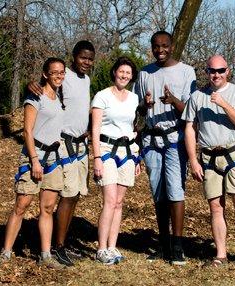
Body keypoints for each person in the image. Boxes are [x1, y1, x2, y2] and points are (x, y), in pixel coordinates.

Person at [27, 41, 95, 266]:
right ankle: (56, 247)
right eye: (82, 57)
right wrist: (31, 85)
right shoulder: (65, 78)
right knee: (65, 196)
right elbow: (47, 87)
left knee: (74, 195)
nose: (86, 62)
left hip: (81, 144)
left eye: (90, 59)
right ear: (74, 57)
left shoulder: (87, 80)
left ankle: (62, 243)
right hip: (63, 144)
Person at [183, 55, 235, 271]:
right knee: (215, 207)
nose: (217, 75)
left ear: (228, 71)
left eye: (221, 70)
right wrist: (193, 160)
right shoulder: (196, 97)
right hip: (209, 157)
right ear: (206, 72)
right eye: (212, 71)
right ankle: (220, 254)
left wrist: (223, 104)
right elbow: (189, 128)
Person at [0, 58, 67, 269]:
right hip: (33, 157)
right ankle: (6, 251)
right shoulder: (35, 97)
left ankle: (45, 255)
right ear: (45, 74)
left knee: (47, 208)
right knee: (22, 205)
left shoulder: (59, 97)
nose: (59, 76)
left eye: (62, 72)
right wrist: (35, 161)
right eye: (54, 72)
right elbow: (27, 131)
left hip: (54, 159)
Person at [133, 30, 196, 265]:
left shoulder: (186, 72)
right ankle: (164, 244)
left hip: (174, 139)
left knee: (175, 190)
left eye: (164, 45)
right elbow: (136, 108)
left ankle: (178, 246)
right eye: (156, 46)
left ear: (172, 46)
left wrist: (174, 101)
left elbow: (192, 110)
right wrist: (144, 104)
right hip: (151, 139)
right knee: (158, 191)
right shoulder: (144, 73)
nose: (160, 50)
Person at [91, 57, 141, 265]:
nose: (124, 76)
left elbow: (133, 127)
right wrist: (96, 158)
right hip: (105, 150)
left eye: (128, 73)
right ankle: (101, 248)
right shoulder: (102, 97)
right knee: (110, 201)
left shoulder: (134, 98)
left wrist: (137, 158)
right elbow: (94, 130)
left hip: (127, 151)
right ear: (114, 72)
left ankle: (112, 246)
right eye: (122, 71)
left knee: (119, 203)